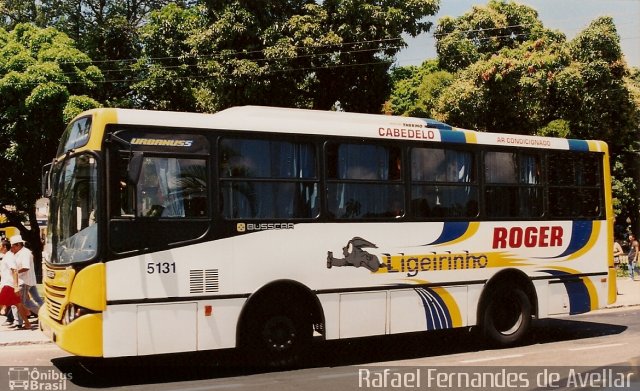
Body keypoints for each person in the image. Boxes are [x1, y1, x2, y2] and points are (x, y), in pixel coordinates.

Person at [0, 239, 32, 329]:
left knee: (17, 304)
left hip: (9, 284)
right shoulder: (7, 256)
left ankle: (28, 314)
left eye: (0, 245)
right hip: (7, 283)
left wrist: (16, 286)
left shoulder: (9, 257)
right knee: (18, 304)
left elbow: (14, 271)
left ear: (5, 247)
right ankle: (27, 320)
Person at [9, 235, 42, 319]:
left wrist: (16, 272)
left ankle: (42, 314)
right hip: (26, 280)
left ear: (18, 245)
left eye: (13, 246)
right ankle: (43, 314)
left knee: (24, 302)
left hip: (25, 281)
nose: (12, 248)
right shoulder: (20, 253)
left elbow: (26, 267)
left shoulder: (25, 253)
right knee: (36, 299)